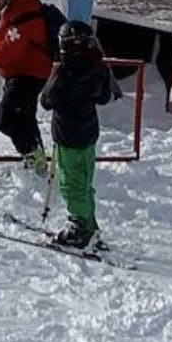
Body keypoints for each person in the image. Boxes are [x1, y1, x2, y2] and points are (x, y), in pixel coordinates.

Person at [40, 18, 120, 249]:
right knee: (84, 181)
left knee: (71, 182)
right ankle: (90, 224)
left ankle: (79, 226)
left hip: (67, 134)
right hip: (88, 131)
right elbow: (104, 97)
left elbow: (47, 100)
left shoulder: (64, 71)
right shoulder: (98, 67)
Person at [0, 0, 63, 179]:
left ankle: (33, 156)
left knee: (7, 119)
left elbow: (10, 50)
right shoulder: (14, 7)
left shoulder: (23, 10)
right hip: (21, 72)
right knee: (25, 118)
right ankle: (37, 161)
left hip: (28, 73)